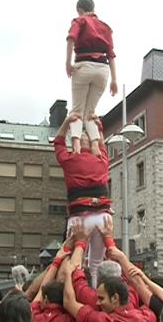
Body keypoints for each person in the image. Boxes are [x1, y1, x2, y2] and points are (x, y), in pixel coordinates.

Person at [55, 113, 113, 288]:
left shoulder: (69, 159)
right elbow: (101, 144)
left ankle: (71, 297)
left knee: (73, 262)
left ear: (76, 143)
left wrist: (66, 122)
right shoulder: (102, 160)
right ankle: (97, 295)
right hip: (103, 217)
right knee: (96, 265)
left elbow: (58, 142)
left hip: (79, 216)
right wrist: (98, 127)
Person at [65, 0, 118, 156]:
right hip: (103, 70)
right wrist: (114, 80)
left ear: (80, 10)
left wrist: (68, 63)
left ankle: (76, 143)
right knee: (90, 112)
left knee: (77, 111)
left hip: (84, 65)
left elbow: (70, 38)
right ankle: (95, 144)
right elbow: (111, 55)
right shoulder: (106, 27)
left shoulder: (79, 21)